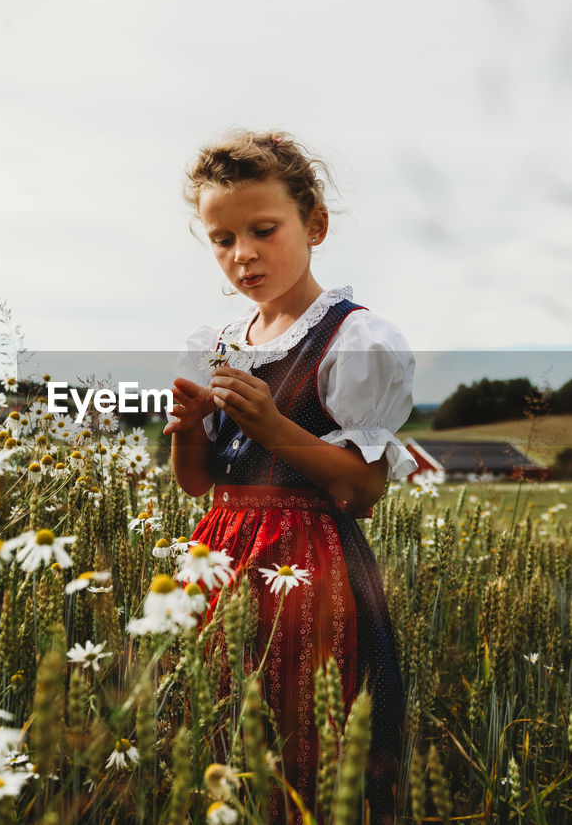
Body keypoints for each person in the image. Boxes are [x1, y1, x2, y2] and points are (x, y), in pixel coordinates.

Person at [162, 130, 417, 824]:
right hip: (220, 557)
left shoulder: (351, 339)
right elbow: (199, 483)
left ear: (315, 226)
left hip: (310, 569)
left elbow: (360, 491)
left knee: (308, 741)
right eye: (222, 239)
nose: (242, 255)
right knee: (221, 736)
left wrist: (276, 428)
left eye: (263, 230)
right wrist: (186, 429)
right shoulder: (215, 346)